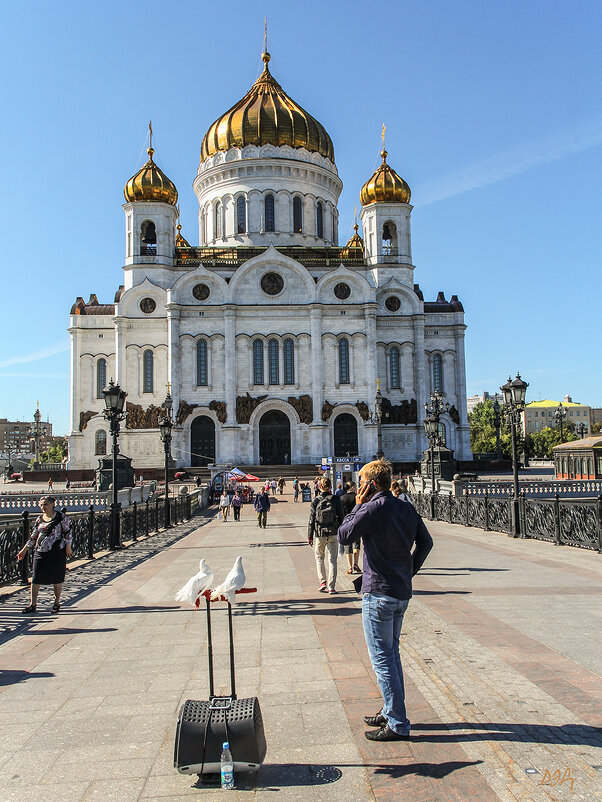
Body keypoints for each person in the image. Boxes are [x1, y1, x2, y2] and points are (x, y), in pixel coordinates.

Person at [338, 459, 433, 742]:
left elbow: (344, 535)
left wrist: (357, 504)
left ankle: (397, 723)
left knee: (382, 659)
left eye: (361, 482)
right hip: (400, 592)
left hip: (378, 594)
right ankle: (390, 709)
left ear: (368, 484)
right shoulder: (405, 506)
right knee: (392, 656)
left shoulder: (371, 507)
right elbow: (426, 542)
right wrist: (407, 571)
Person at [17, 496, 72, 614]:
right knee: (35, 578)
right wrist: (24, 550)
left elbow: (68, 533)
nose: (43, 507)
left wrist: (68, 547)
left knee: (57, 578)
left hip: (57, 551)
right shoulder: (39, 519)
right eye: (41, 505)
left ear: (53, 504)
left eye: (45, 504)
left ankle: (56, 603)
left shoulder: (61, 517)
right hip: (40, 551)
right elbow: (34, 536)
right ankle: (32, 604)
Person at [307, 476, 344, 595]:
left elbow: (311, 519)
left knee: (319, 558)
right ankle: (331, 587)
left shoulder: (316, 500)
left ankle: (322, 582)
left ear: (319, 486)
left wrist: (309, 535)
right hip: (333, 532)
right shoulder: (336, 499)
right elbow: (342, 517)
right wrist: (341, 532)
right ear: (330, 486)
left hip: (319, 533)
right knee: (332, 560)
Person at [340, 482, 360, 574]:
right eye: (355, 486)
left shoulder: (342, 498)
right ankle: (356, 564)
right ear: (352, 487)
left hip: (346, 523)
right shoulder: (357, 497)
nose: (356, 488)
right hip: (357, 522)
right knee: (357, 544)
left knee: (348, 545)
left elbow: (340, 513)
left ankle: (349, 567)